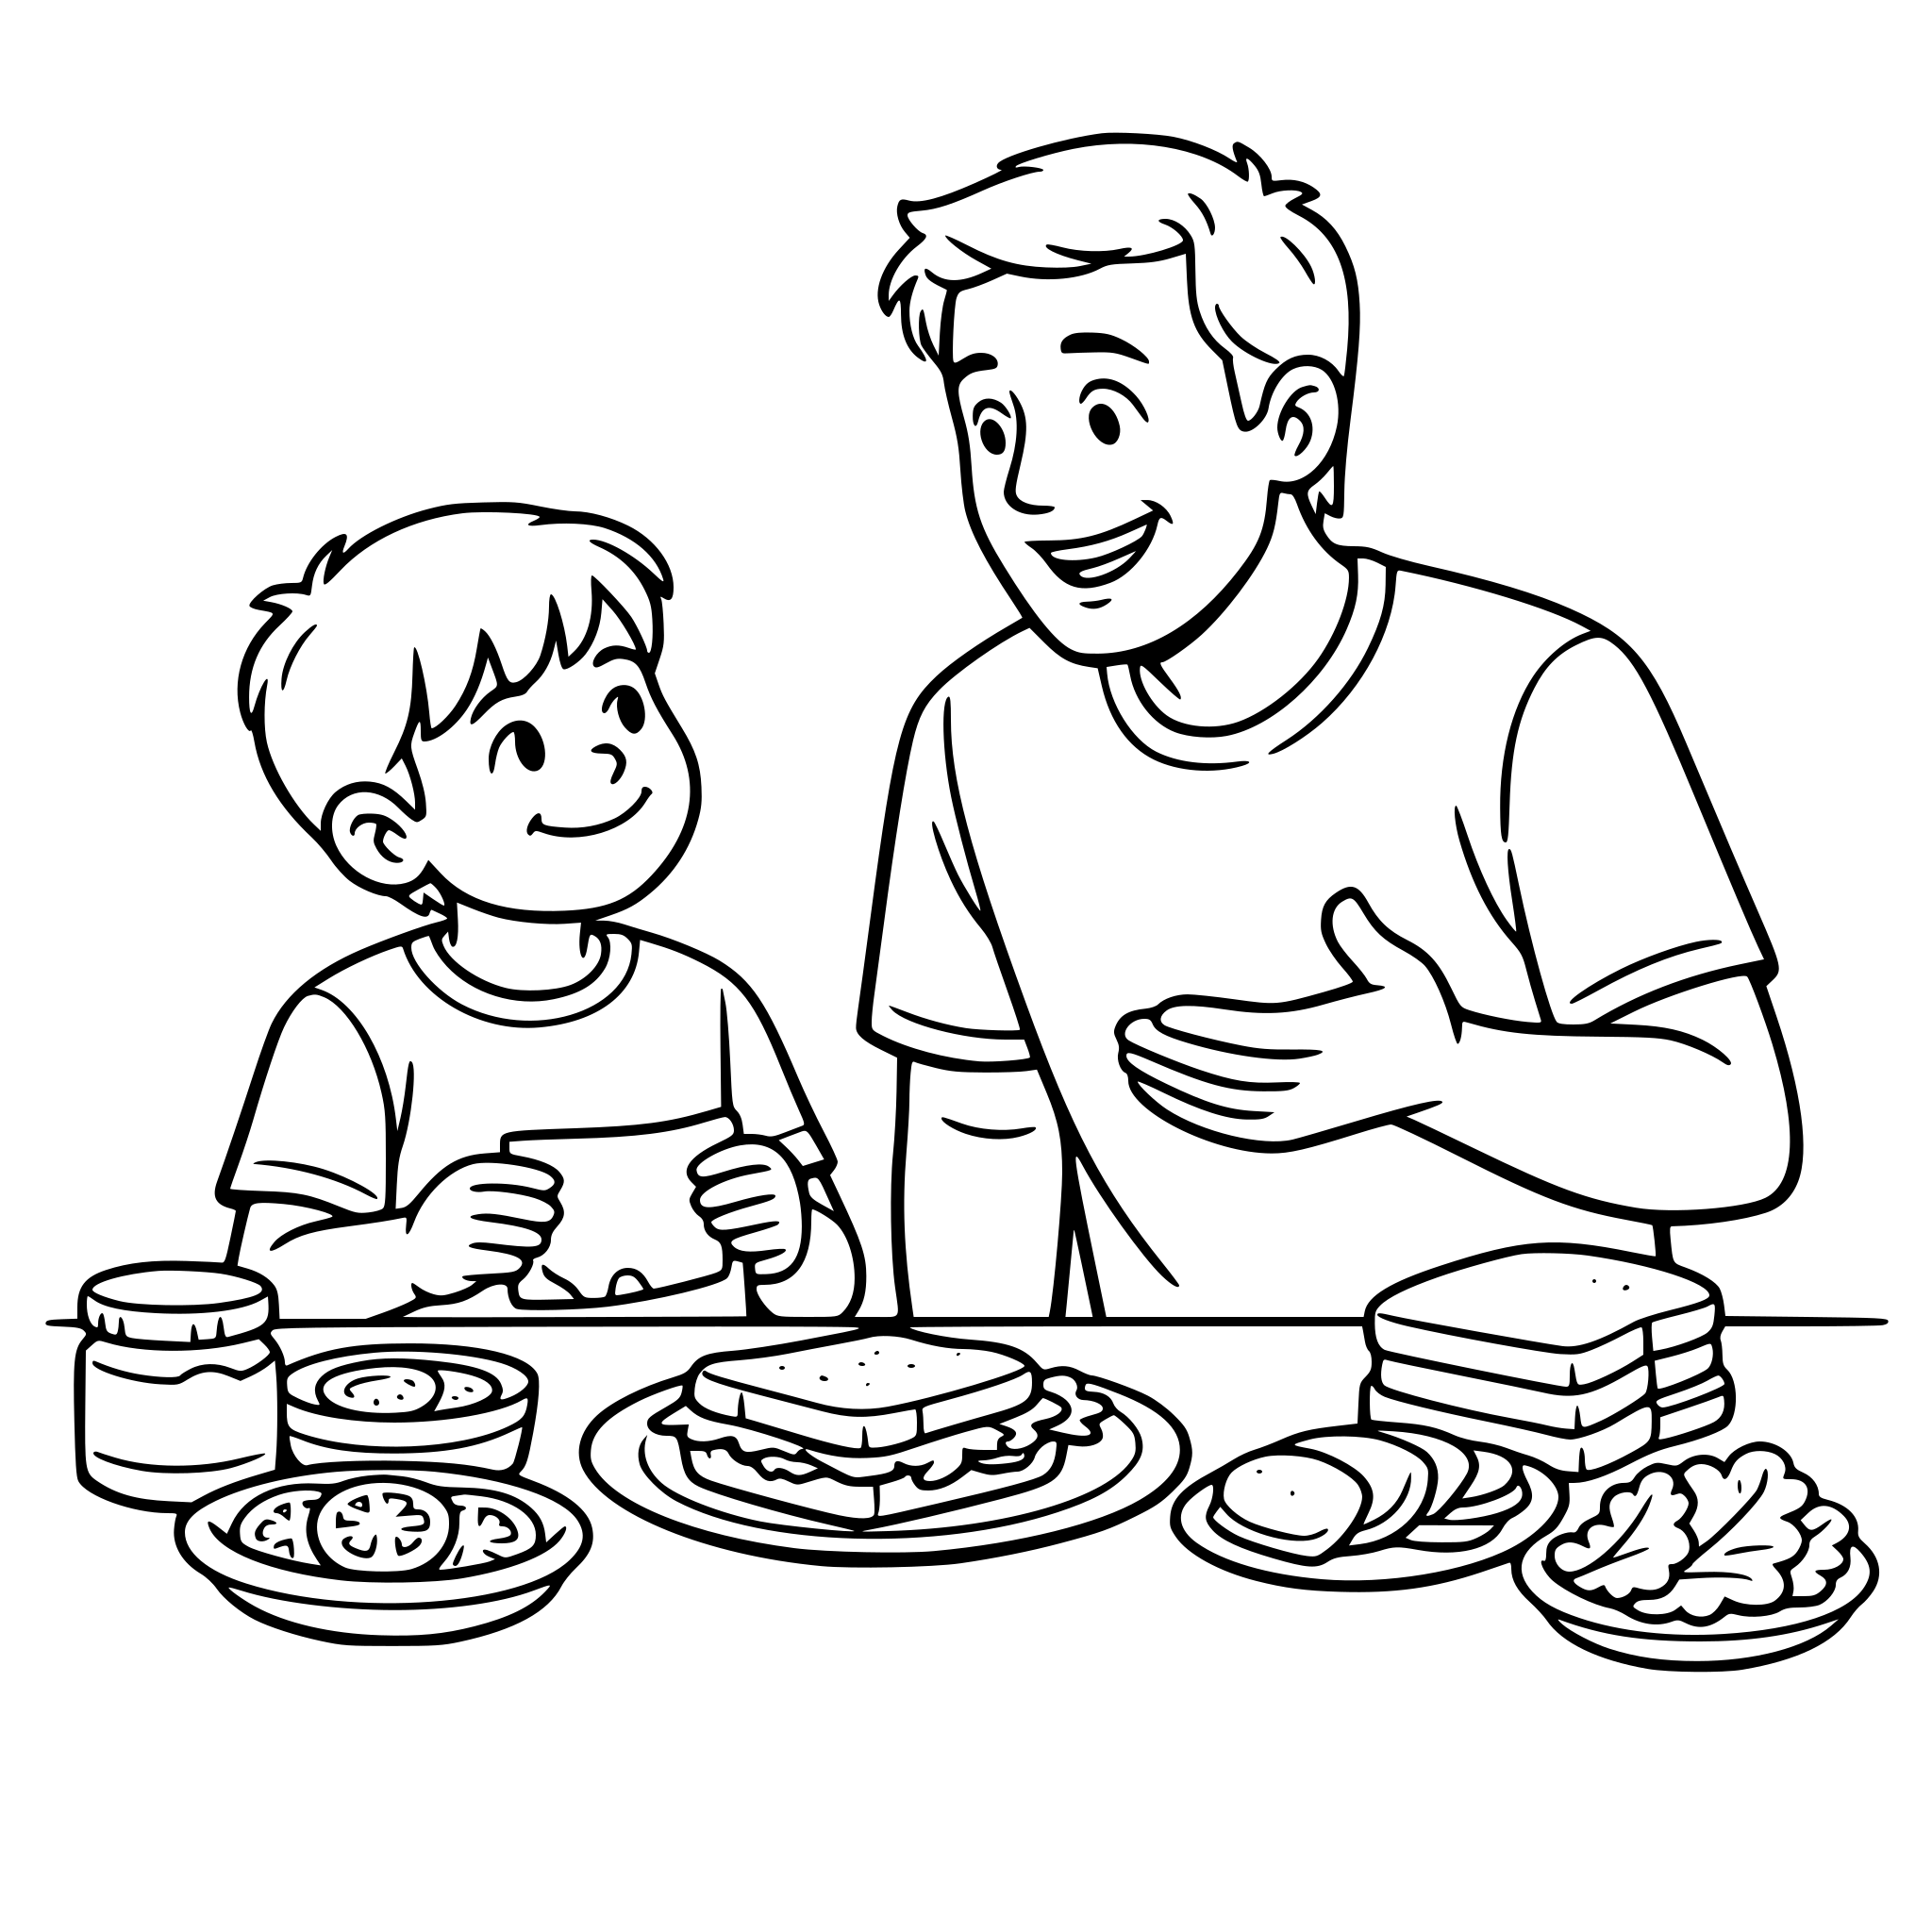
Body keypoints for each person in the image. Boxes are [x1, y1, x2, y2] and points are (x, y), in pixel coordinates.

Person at [861, 135, 1797, 1316]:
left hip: (1546, 1435)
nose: (1036, 491)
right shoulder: (971, 730)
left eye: (1105, 416)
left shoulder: (1537, 695)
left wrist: (1443, 1068)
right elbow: (979, 1119)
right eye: (992, 426)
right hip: (1186, 1448)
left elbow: (1732, 1128)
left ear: (1291, 424)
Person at [223, 503, 860, 1318]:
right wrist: (409, 1254)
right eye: (525, 746)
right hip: (443, 1430)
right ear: (386, 836)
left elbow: (834, 1291)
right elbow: (265, 1284)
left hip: (698, 1424)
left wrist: (794, 1241)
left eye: (625, 707)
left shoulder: (709, 1004)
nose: (607, 754)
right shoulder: (351, 1026)